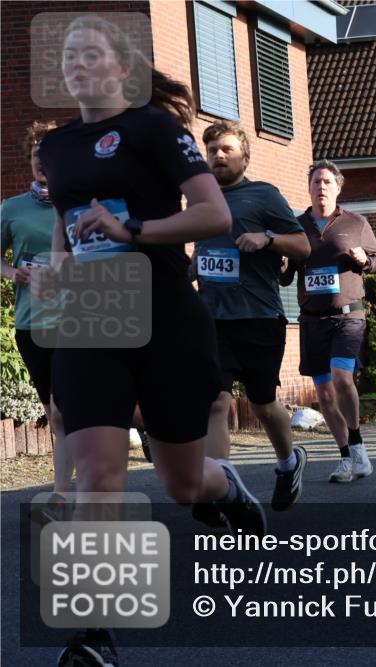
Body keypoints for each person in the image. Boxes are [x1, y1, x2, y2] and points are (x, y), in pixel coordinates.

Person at [38, 15, 264, 664]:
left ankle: (229, 487)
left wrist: (131, 230)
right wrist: (57, 268)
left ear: (121, 67)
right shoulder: (57, 147)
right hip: (92, 315)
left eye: (90, 53)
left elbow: (212, 214)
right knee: (99, 472)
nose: (77, 64)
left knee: (183, 483)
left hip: (165, 312)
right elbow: (67, 224)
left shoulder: (154, 129)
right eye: (69, 56)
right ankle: (95, 632)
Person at [194, 120, 311, 518]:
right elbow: (203, 253)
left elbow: (303, 246)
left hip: (259, 317)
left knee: (263, 403)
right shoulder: (200, 199)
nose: (218, 156)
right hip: (212, 318)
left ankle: (288, 461)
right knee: (215, 402)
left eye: (226, 149)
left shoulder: (264, 195)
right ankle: (220, 489)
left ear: (245, 155)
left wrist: (268, 238)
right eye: (212, 150)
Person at [282, 160, 376, 481]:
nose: (321, 187)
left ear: (338, 188)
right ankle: (345, 456)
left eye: (327, 182)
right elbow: (285, 278)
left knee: (342, 378)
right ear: (309, 188)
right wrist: (282, 262)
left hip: (348, 315)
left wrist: (364, 260)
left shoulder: (356, 222)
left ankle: (357, 446)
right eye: (316, 182)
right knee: (324, 393)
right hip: (312, 319)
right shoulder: (295, 226)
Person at [1, 121, 72, 496]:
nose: (41, 162)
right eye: (35, 155)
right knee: (54, 412)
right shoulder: (11, 209)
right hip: (31, 321)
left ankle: (62, 493)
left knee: (63, 411)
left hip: (78, 318)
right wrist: (15, 273)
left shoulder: (77, 205)